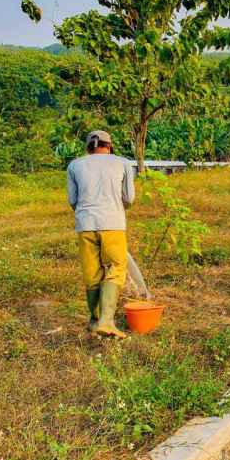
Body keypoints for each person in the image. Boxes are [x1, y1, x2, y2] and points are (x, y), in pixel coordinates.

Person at [67, 130, 135, 338]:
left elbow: (72, 200)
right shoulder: (122, 163)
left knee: (92, 273)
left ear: (89, 147)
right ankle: (106, 321)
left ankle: (94, 320)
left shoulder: (74, 165)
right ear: (109, 145)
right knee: (116, 268)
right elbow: (129, 198)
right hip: (112, 222)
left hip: (85, 224)